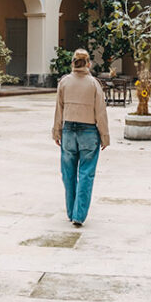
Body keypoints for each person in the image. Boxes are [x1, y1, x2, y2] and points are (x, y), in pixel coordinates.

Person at [52, 49, 109, 227]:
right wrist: (105, 136)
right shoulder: (94, 84)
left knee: (68, 174)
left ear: (73, 63)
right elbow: (100, 112)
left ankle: (70, 211)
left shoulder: (64, 82)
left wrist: (56, 131)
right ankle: (78, 215)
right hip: (89, 132)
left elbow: (58, 109)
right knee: (86, 174)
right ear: (88, 64)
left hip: (68, 130)